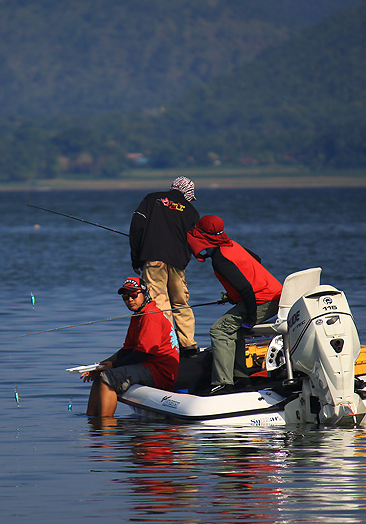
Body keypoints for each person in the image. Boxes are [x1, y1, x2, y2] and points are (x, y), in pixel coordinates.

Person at [186, 215, 283, 395]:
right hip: (275, 296)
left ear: (203, 237)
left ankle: (223, 383)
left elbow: (245, 288)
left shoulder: (220, 259)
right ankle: (240, 377)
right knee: (233, 329)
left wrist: (251, 318)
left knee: (219, 330)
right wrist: (235, 296)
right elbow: (256, 259)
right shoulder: (231, 244)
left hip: (261, 300)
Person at [83, 276, 180, 417]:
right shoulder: (138, 316)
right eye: (125, 297)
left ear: (145, 293)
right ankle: (91, 421)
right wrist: (99, 366)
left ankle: (105, 427)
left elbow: (143, 353)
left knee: (107, 377)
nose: (130, 300)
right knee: (100, 374)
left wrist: (112, 365)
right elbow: (127, 349)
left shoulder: (150, 315)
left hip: (160, 372)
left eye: (134, 295)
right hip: (147, 365)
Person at [129, 176, 200, 356]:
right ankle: (188, 344)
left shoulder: (152, 199)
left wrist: (136, 257)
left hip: (153, 259)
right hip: (178, 263)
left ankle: (166, 344)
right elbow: (194, 241)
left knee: (158, 302)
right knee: (180, 302)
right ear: (188, 193)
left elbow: (136, 227)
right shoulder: (192, 211)